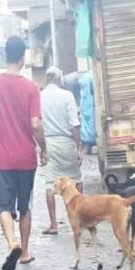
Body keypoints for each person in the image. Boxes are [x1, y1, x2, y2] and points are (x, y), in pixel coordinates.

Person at [0, 36, 48, 270]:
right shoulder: (31, 88)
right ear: (23, 56)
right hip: (27, 158)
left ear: (5, 55)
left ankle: (11, 244)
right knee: (24, 206)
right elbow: (36, 125)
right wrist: (43, 150)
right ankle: (25, 252)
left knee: (3, 206)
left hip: (4, 160)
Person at [38, 67, 83, 235]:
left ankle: (54, 224)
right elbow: (75, 124)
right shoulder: (67, 96)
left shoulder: (39, 97)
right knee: (76, 179)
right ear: (58, 79)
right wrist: (78, 148)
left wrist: (41, 148)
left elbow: (36, 124)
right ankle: (79, 218)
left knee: (50, 184)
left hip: (48, 143)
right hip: (66, 142)